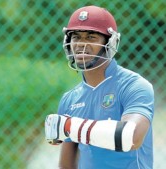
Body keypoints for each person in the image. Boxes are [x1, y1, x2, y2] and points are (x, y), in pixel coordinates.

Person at [44, 5, 154, 169]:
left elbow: (130, 136)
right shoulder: (70, 99)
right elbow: (67, 165)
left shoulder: (134, 85)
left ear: (110, 42)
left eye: (91, 37)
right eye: (76, 37)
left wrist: (69, 126)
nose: (81, 44)